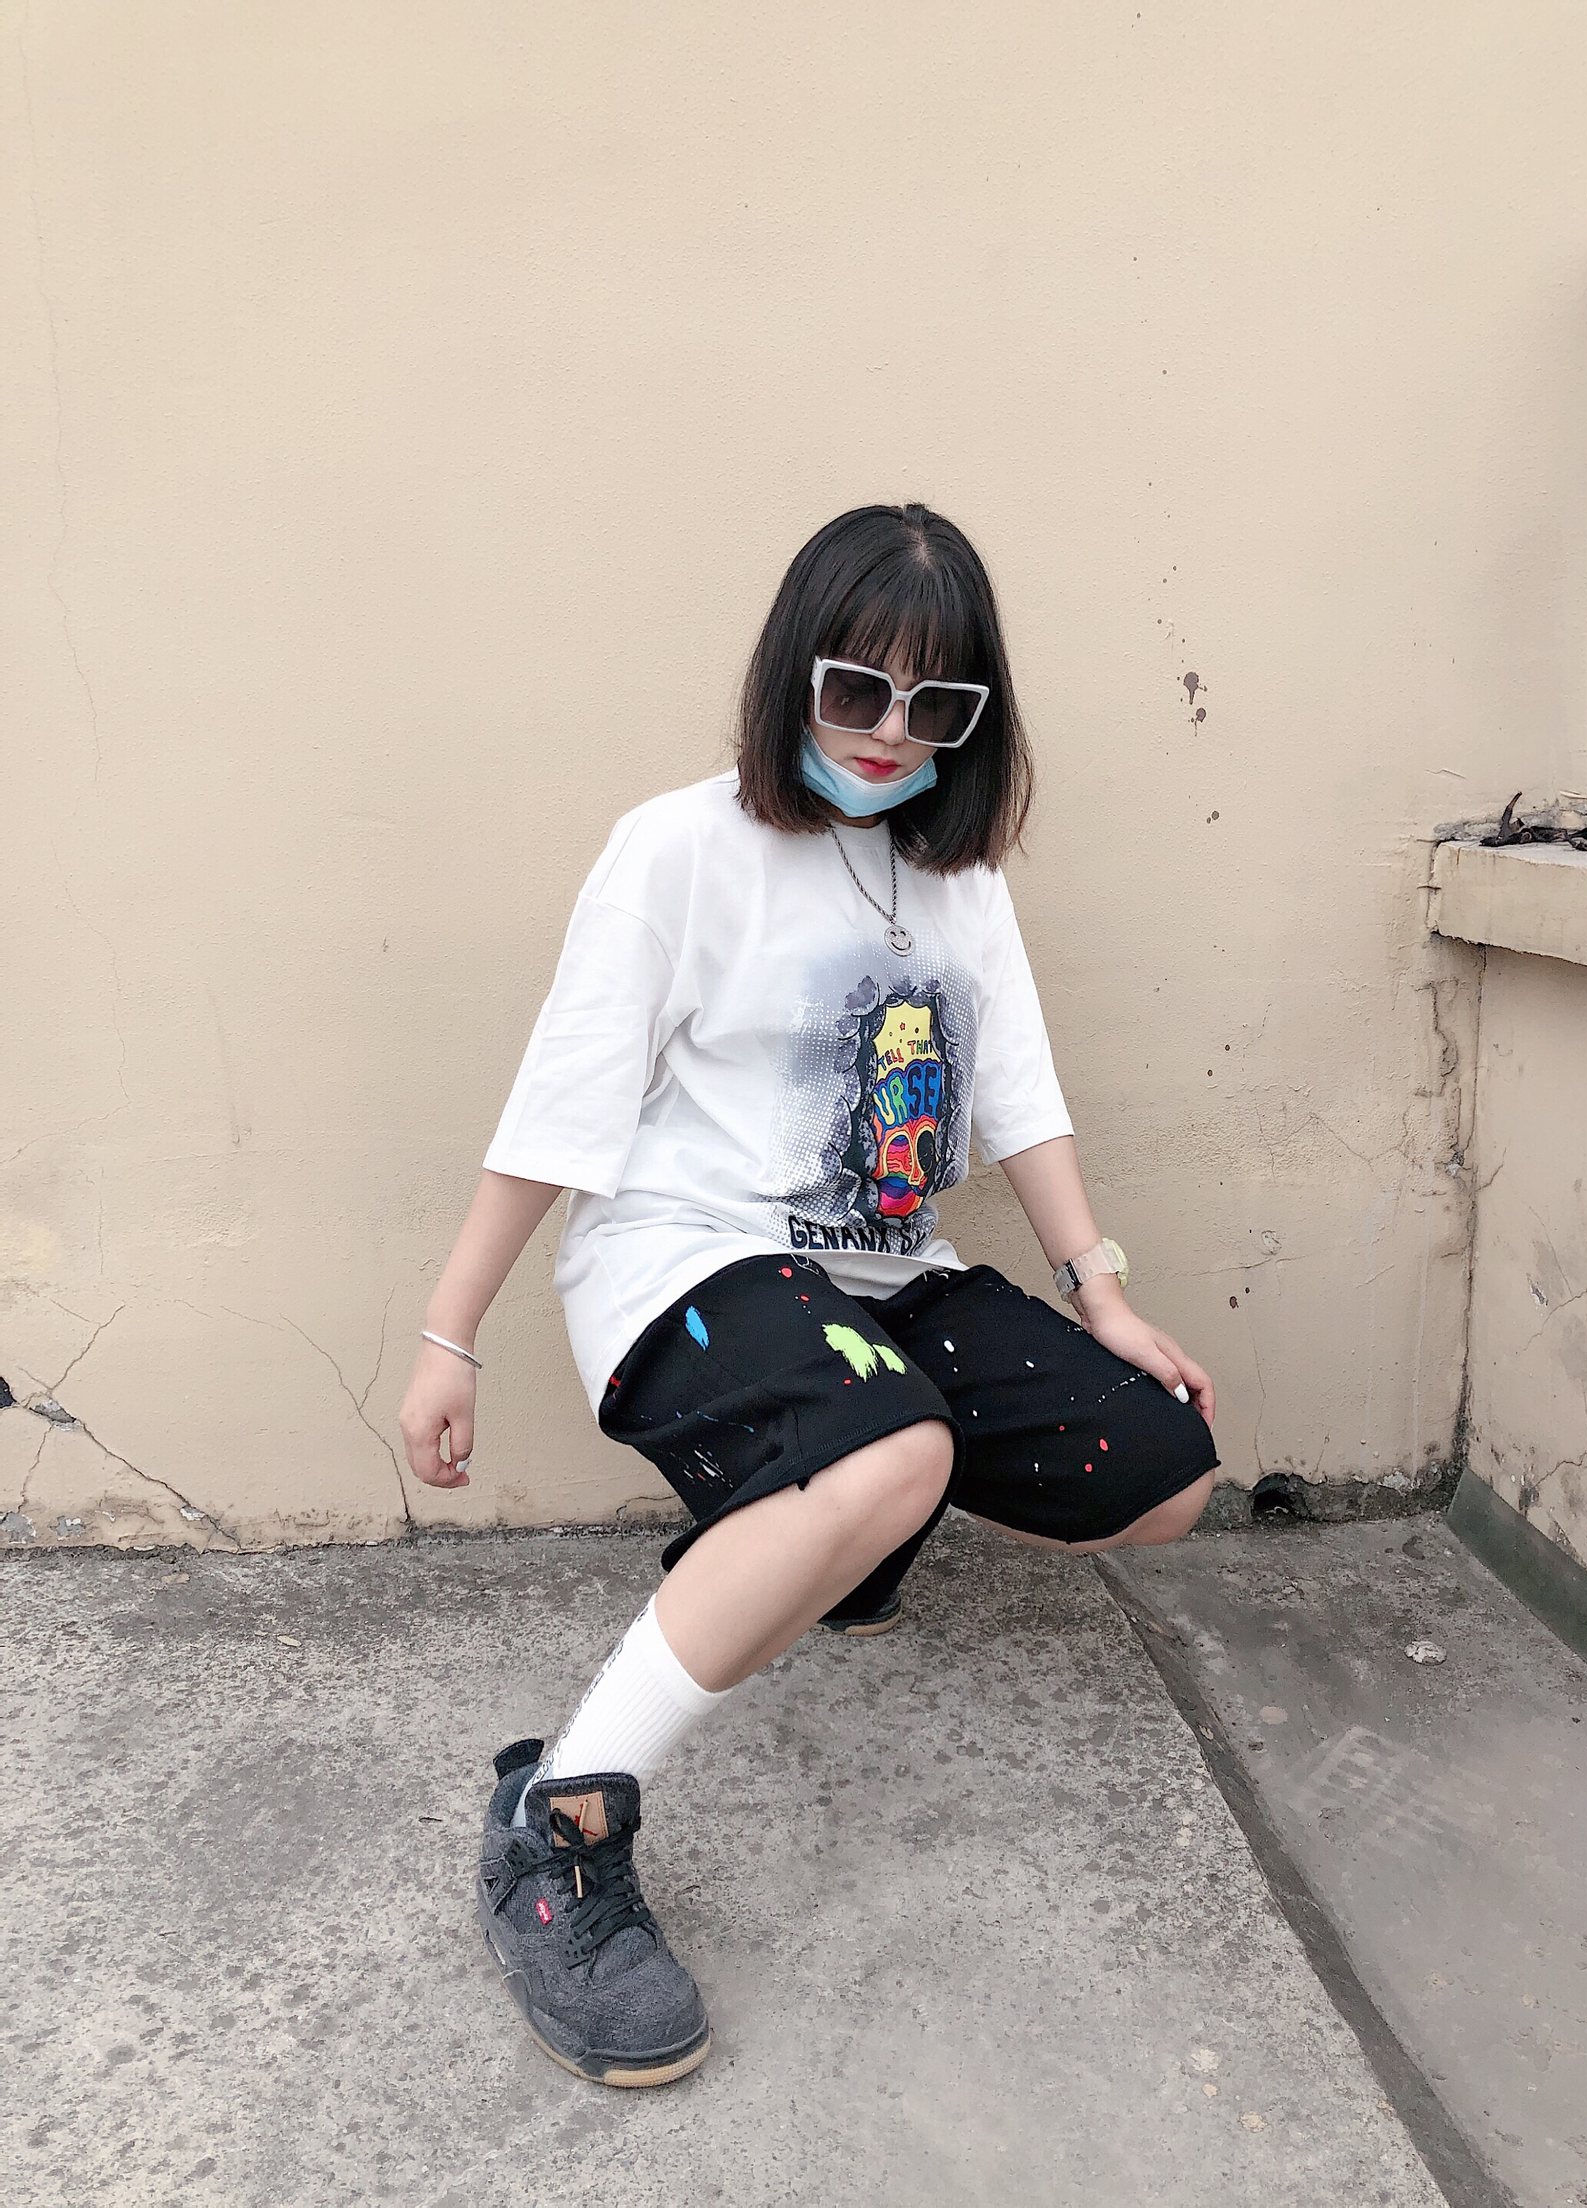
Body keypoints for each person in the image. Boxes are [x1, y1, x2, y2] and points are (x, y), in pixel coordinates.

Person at [397, 503, 1220, 2089]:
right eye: (858, 689)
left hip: (881, 1275)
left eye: (937, 705)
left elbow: (1023, 1094)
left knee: (1162, 1469)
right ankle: (555, 1820)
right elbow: (561, 1108)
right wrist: (451, 1333)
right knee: (891, 1447)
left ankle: (841, 1530)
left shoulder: (955, 873)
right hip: (688, 1260)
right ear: (794, 674)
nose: (891, 733)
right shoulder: (678, 848)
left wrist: (1099, 1293)